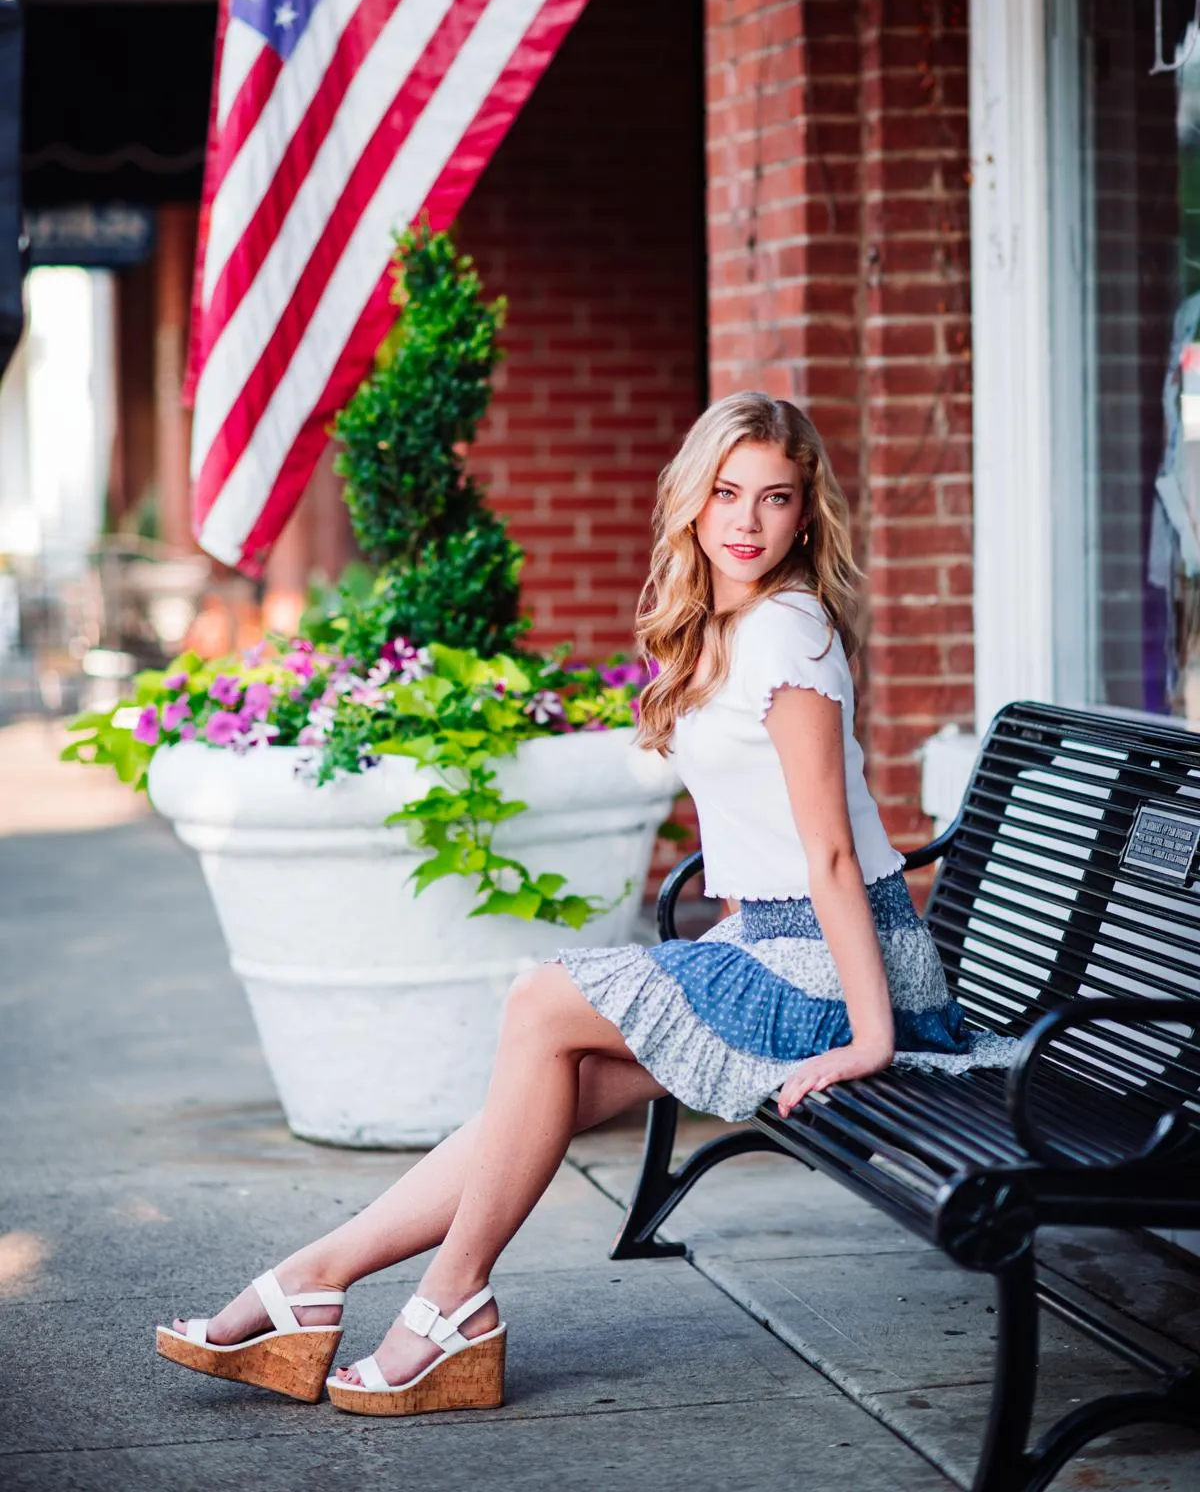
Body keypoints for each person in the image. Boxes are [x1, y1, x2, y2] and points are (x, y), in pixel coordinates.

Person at [156, 391, 1014, 1415]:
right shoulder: (728, 622)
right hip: (774, 943)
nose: (747, 522)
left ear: (805, 514)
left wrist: (873, 1038)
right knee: (538, 1089)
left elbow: (832, 855)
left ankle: (448, 1303)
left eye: (775, 500)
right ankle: (316, 1277)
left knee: (540, 1002)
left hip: (832, 965)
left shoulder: (790, 632)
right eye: (727, 494)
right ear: (693, 500)